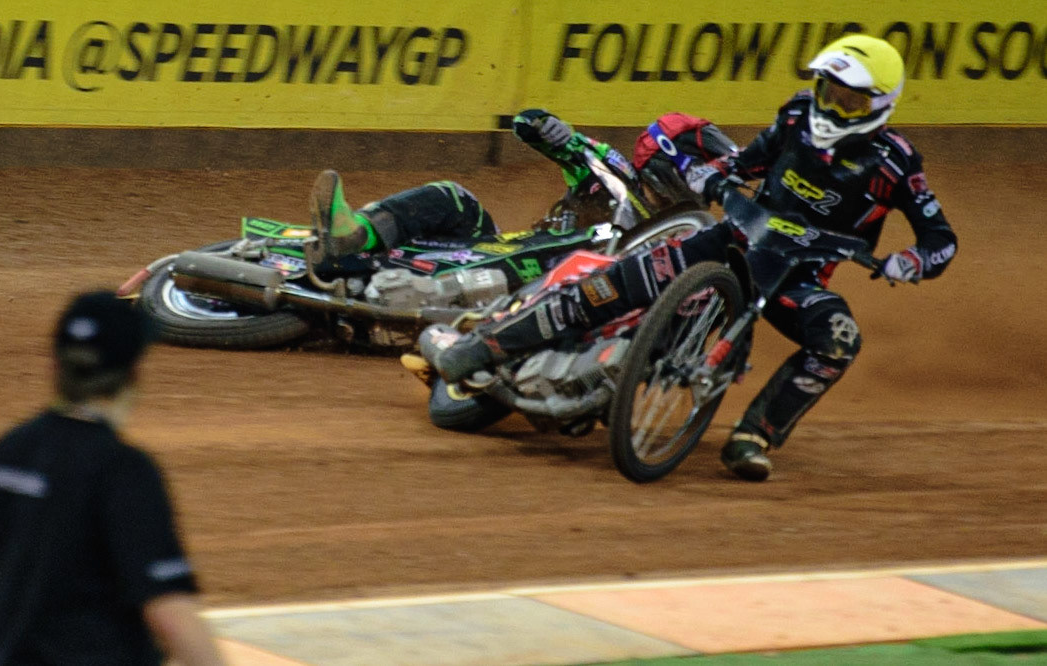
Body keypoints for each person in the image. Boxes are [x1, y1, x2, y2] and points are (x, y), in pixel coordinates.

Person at [423, 34, 958, 481]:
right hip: (734, 237)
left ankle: (754, 436)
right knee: (609, 285)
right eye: (828, 91)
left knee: (839, 340)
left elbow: (941, 240)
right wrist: (714, 175)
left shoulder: (896, 165)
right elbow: (749, 161)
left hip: (797, 278)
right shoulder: (798, 114)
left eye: (850, 102)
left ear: (880, 106)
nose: (832, 106)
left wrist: (907, 263)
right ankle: (482, 348)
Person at [0, 290, 227, 666]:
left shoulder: (1, 455)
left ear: (55, 365)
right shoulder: (122, 468)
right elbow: (169, 610)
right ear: (132, 373)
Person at [307, 109, 736, 267]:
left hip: (576, 304)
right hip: (511, 254)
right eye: (705, 169)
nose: (710, 183)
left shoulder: (692, 237)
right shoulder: (609, 167)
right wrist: (544, 125)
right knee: (454, 197)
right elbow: (527, 124)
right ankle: (355, 234)